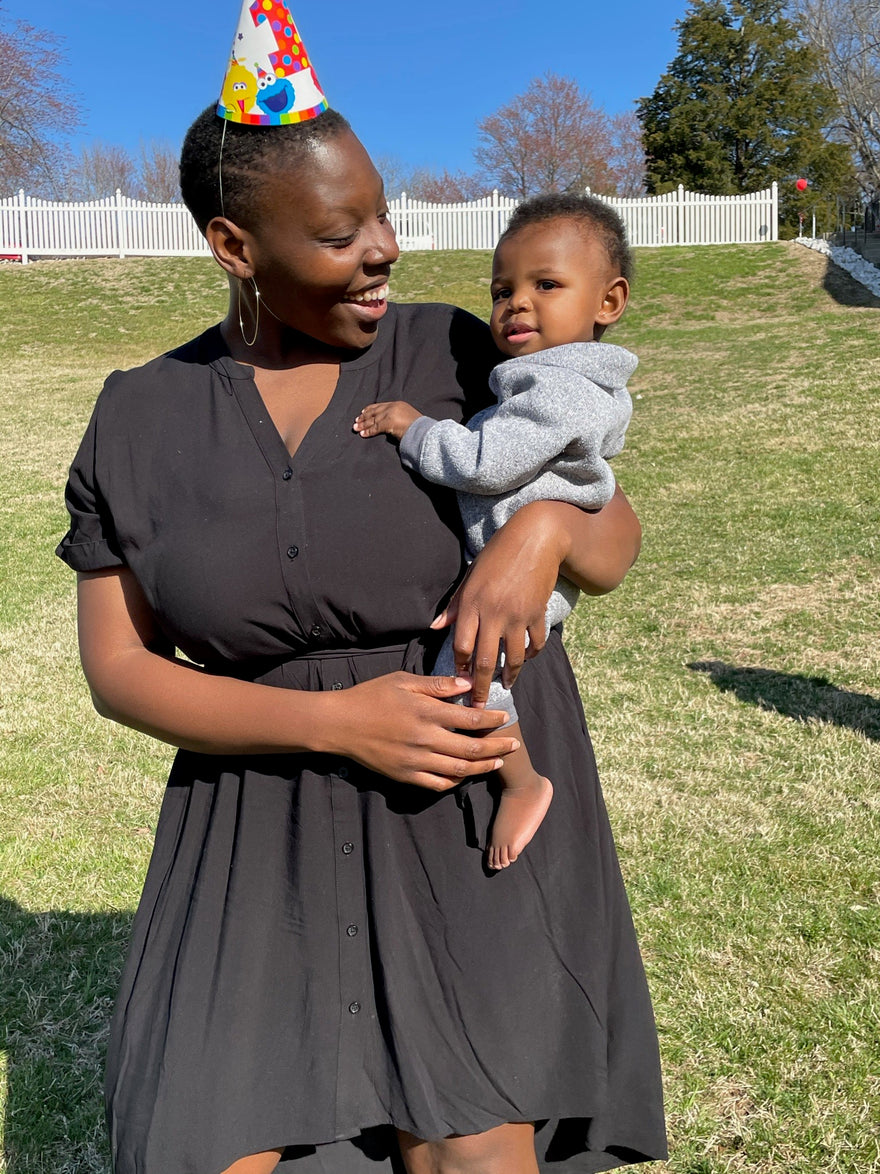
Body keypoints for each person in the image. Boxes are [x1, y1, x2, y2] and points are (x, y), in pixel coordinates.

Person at [56, 13, 666, 1168]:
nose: (386, 247)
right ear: (235, 245)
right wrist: (333, 722)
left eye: (383, 216)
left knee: (468, 1145)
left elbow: (613, 541)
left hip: (458, 804)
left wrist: (539, 527)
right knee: (197, 1145)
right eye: (342, 234)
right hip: (253, 819)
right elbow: (118, 668)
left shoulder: (453, 353)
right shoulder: (137, 415)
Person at [353, 193, 635, 871]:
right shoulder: (555, 378)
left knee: (471, 676)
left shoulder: (556, 387)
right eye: (502, 289)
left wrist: (412, 427)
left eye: (547, 285)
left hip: (532, 572)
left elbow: (487, 464)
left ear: (609, 302)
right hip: (528, 551)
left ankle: (521, 781)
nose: (516, 304)